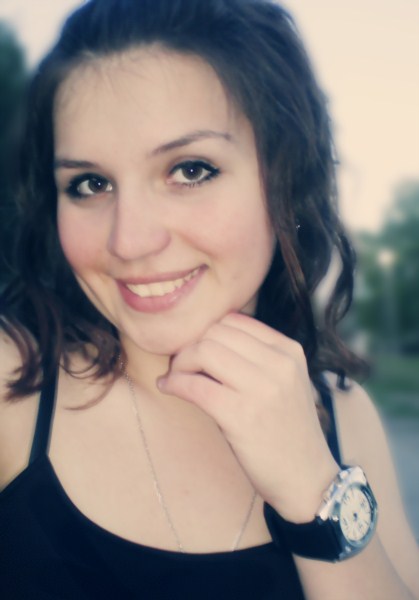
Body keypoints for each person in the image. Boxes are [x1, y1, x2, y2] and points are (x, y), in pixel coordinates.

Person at [0, 0, 418, 598]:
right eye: (91, 184)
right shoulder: (13, 385)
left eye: (190, 170)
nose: (129, 241)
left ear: (284, 179)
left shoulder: (344, 417)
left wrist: (314, 490)